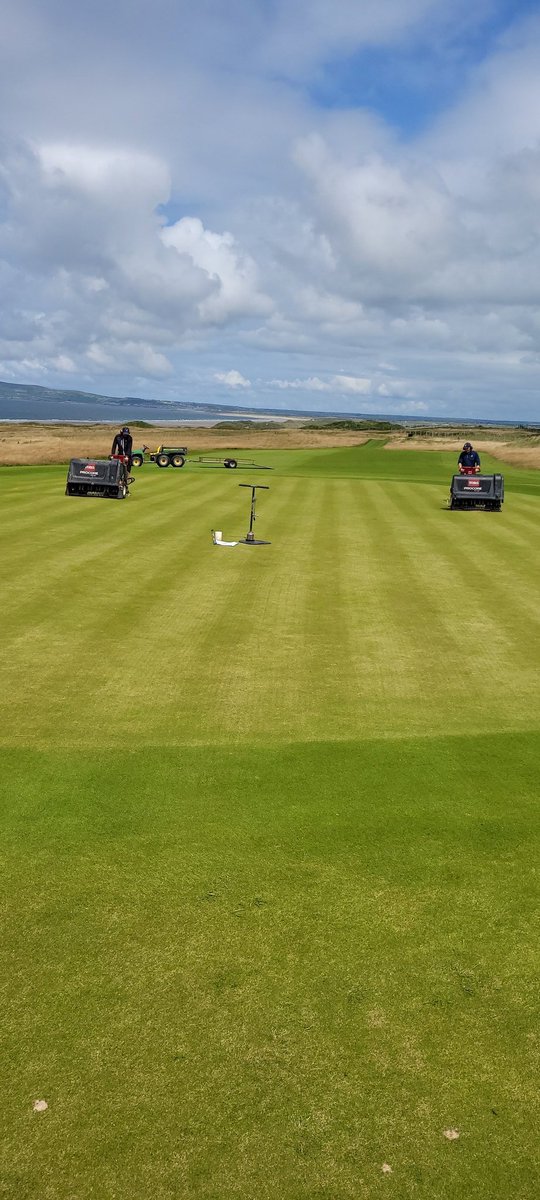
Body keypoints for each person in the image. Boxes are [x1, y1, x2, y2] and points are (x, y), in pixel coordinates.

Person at [110, 426, 134, 490]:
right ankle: (118, 484)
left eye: (127, 434)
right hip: (119, 455)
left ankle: (126, 486)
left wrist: (127, 456)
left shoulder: (129, 438)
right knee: (118, 471)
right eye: (124, 434)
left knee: (126, 472)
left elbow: (129, 448)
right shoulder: (117, 437)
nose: (125, 435)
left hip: (127, 457)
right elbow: (114, 446)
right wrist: (112, 455)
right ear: (122, 432)